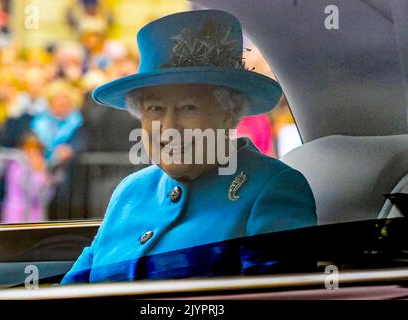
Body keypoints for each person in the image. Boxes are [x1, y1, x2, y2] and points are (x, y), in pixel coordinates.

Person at [61, 9, 316, 284]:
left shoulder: (273, 189)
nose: (169, 127)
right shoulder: (130, 191)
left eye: (188, 108)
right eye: (155, 108)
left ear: (228, 113)